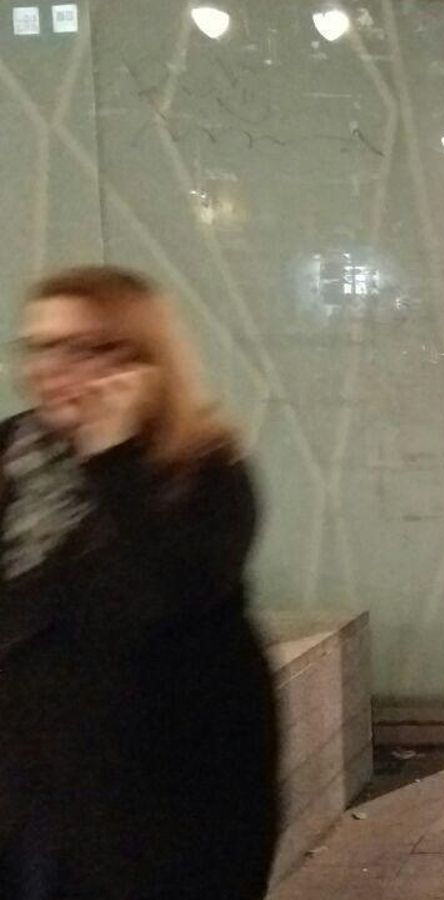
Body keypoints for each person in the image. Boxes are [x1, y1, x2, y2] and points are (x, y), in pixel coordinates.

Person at [0, 267, 280, 899]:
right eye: (40, 347)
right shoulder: (12, 452)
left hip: (161, 793)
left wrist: (112, 457)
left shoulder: (201, 465)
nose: (52, 368)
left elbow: (180, 590)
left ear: (144, 358)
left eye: (83, 348)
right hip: (31, 789)